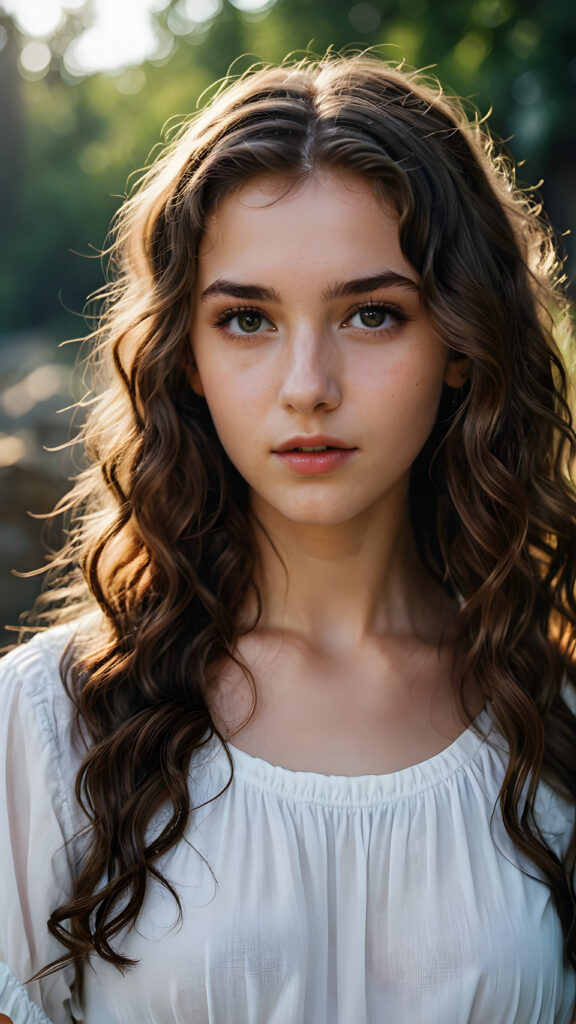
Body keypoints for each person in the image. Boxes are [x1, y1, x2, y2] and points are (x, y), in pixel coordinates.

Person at [1, 50, 575, 1024]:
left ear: (462, 346)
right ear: (184, 355)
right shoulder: (53, 724)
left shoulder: (553, 713)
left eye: (371, 313)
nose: (308, 383)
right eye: (248, 319)